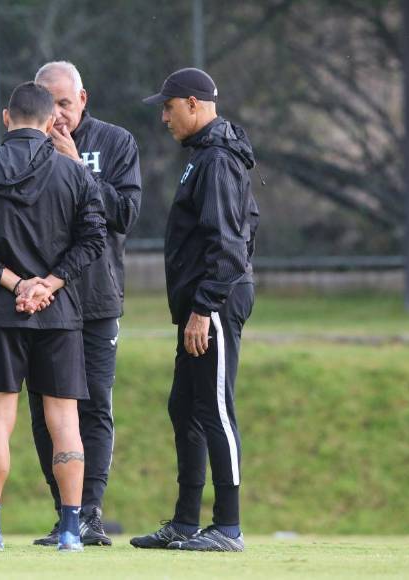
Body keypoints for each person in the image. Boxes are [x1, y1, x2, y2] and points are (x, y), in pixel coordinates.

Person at [0, 81, 106, 552]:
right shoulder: (74, 173)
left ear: (6, 117)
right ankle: (72, 531)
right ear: (50, 121)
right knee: (65, 420)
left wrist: (15, 284)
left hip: (0, 312)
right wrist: (49, 284)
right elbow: (93, 238)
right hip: (59, 314)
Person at [131, 68, 259, 552]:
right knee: (184, 406)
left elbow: (228, 243)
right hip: (202, 301)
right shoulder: (203, 155)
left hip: (216, 300)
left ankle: (228, 527)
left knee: (215, 408)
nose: (164, 117)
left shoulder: (218, 159)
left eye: (168, 107)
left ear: (192, 103)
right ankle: (185, 523)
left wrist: (206, 306)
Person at [30, 61, 142, 547]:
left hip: (97, 298)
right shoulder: (26, 146)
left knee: (94, 405)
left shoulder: (115, 143)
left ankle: (90, 513)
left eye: (65, 103)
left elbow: (126, 213)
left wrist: (76, 166)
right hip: (44, 302)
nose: (57, 114)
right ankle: (65, 513)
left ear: (83, 99)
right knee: (45, 410)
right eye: (49, 104)